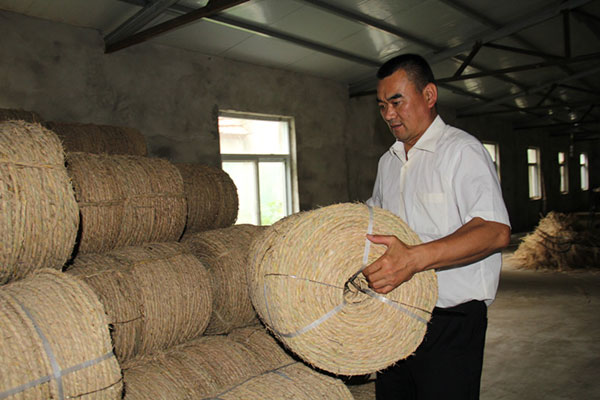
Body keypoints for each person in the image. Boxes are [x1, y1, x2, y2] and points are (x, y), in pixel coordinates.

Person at [363, 53, 512, 400]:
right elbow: (376, 220)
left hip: (451, 322)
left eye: (396, 102)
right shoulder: (389, 162)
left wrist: (414, 259)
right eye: (382, 106)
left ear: (429, 95)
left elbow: (494, 230)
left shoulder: (462, 151)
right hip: (397, 315)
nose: (388, 114)